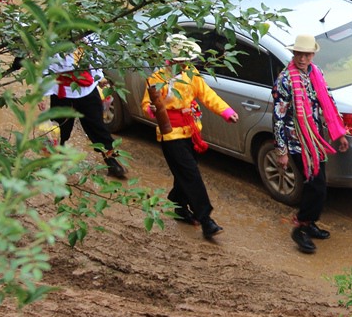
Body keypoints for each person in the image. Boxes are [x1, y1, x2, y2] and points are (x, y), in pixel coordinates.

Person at [141, 33, 239, 239]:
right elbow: (146, 105)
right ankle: (206, 219)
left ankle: (177, 203)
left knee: (184, 173)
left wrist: (226, 112)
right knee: (191, 175)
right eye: (181, 60)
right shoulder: (157, 78)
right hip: (170, 134)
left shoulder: (191, 74)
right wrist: (153, 110)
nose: (184, 63)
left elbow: (207, 94)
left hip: (191, 130)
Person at [272, 33, 349, 255]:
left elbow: (328, 103)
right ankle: (301, 226)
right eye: (298, 54)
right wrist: (282, 150)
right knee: (315, 185)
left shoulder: (316, 73)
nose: (302, 58)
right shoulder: (286, 80)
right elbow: (278, 115)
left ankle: (310, 222)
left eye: (306, 54)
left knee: (317, 184)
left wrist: (339, 133)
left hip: (316, 138)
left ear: (313, 55)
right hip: (298, 142)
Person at [45, 37, 127, 179]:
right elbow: (45, 68)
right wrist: (43, 94)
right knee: (60, 129)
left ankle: (111, 160)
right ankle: (57, 161)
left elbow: (96, 60)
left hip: (87, 90)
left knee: (98, 127)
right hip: (62, 92)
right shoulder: (53, 42)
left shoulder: (88, 39)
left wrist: (99, 78)